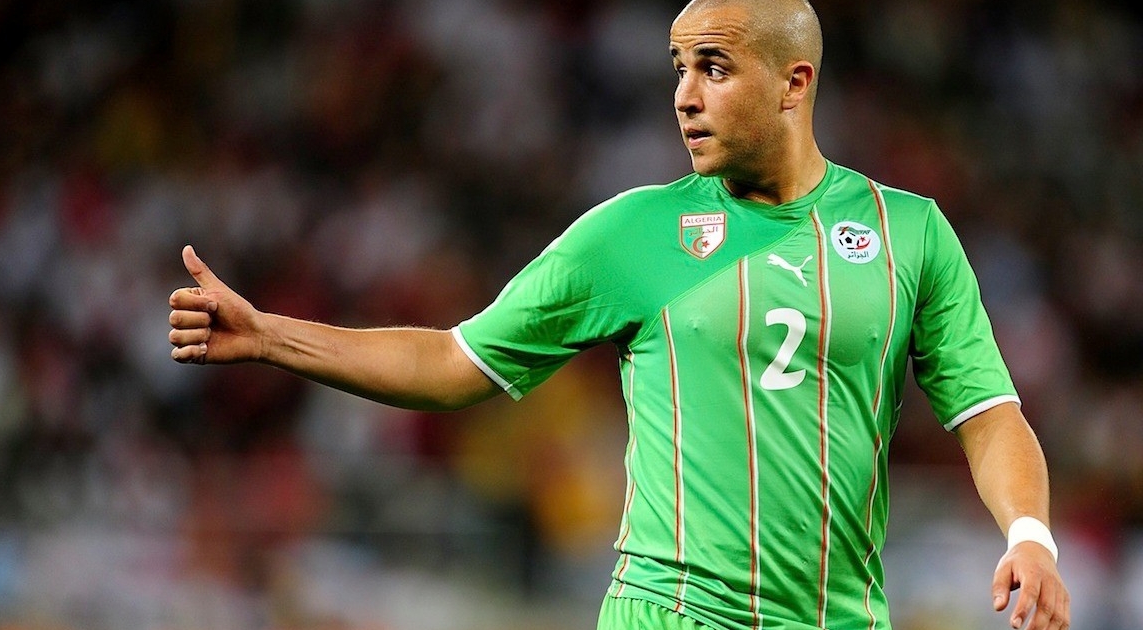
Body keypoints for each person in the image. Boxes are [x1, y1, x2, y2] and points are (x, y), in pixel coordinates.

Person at [167, 0, 1070, 628]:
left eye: (714, 68)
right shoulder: (634, 232)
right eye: (680, 69)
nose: (685, 95)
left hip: (842, 619)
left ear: (794, 83)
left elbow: (988, 411)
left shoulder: (908, 232)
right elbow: (455, 362)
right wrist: (270, 336)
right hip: (668, 614)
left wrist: (1030, 538)